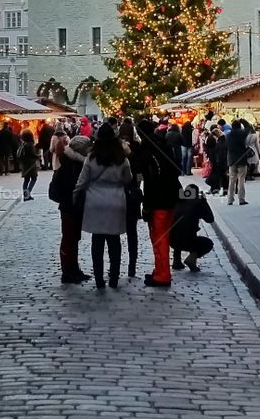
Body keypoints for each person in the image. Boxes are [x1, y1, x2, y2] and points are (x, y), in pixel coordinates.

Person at [73, 122, 132, 290]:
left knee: (97, 242)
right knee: (114, 242)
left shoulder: (91, 158)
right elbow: (128, 179)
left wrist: (75, 196)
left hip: (95, 202)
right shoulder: (122, 158)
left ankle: (99, 279)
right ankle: (114, 277)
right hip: (116, 201)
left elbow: (82, 181)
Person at [136, 118, 182, 288]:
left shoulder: (147, 150)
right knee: (162, 237)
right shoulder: (164, 144)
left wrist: (147, 204)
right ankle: (160, 270)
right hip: (170, 196)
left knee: (159, 238)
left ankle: (163, 275)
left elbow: (149, 179)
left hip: (158, 199)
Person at [51, 133, 91, 283]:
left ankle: (74, 269)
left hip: (73, 207)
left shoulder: (76, 164)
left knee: (73, 238)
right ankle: (68, 271)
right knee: (69, 239)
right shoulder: (71, 165)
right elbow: (67, 187)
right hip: (69, 207)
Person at [119, 116, 144, 278]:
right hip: (131, 194)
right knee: (131, 233)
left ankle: (118, 266)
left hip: (119, 194)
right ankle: (130, 266)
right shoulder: (136, 147)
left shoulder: (116, 148)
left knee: (115, 234)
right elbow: (140, 172)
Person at [170, 183, 215, 271]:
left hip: (171, 240)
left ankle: (177, 261)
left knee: (179, 230)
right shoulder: (197, 203)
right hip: (188, 241)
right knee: (208, 243)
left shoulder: (177, 201)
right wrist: (204, 202)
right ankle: (192, 258)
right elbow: (210, 219)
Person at [226, 119, 252, 205]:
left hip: (232, 160)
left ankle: (230, 199)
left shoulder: (228, 135)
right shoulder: (242, 133)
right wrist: (243, 121)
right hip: (241, 159)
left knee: (232, 180)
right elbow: (249, 128)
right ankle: (241, 199)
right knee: (241, 179)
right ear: (239, 126)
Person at [205, 124, 228, 195]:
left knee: (216, 175)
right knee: (223, 176)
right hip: (222, 161)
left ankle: (215, 188)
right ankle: (224, 190)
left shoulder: (217, 142)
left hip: (218, 161)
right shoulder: (224, 141)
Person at [18, 129, 40, 201]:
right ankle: (28, 194)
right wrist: (38, 156)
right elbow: (33, 154)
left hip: (24, 164)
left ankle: (25, 195)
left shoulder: (23, 143)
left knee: (26, 180)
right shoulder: (30, 144)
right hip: (31, 164)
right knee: (34, 178)